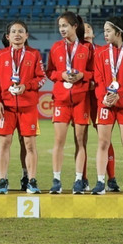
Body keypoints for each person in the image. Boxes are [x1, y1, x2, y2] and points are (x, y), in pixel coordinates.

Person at [0, 20, 46, 194]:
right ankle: (2, 181)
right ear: (8, 36)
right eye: (13, 31)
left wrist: (26, 86)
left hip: (27, 106)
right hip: (6, 107)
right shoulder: (0, 55)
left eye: (21, 31)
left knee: (29, 144)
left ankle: (31, 180)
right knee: (4, 143)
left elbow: (41, 78)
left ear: (26, 35)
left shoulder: (34, 54)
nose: (17, 34)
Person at [92, 16, 123, 195]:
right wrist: (104, 97)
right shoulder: (101, 53)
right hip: (105, 104)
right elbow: (98, 79)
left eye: (108, 31)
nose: (104, 34)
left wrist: (119, 94)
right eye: (104, 31)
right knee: (103, 142)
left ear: (118, 33)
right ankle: (100, 182)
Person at [47, 12, 93, 194]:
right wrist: (61, 75)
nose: (62, 30)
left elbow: (95, 72)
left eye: (65, 26)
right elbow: (50, 71)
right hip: (61, 100)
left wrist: (83, 75)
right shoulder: (56, 48)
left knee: (80, 141)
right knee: (59, 141)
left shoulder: (87, 48)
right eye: (60, 26)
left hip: (81, 99)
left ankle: (78, 180)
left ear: (75, 26)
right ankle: (56, 180)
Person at [82, 23, 117, 192]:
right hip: (81, 97)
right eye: (82, 27)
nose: (86, 29)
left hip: (99, 98)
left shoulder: (103, 50)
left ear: (94, 33)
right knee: (80, 139)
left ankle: (111, 178)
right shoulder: (75, 50)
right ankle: (82, 178)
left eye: (88, 27)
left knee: (105, 138)